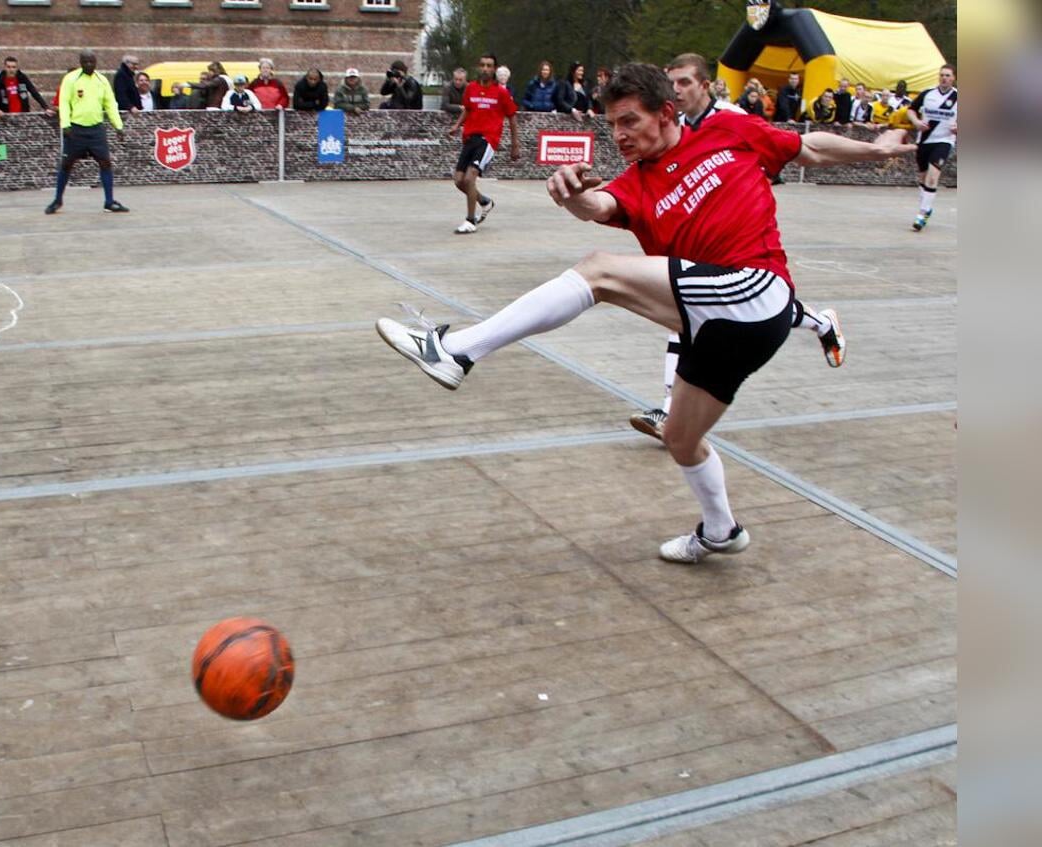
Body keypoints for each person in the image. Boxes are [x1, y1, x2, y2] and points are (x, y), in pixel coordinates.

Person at [376, 62, 914, 563]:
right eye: (612, 125)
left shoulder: (731, 133)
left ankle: (456, 351)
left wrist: (877, 149)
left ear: (666, 113)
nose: (620, 134)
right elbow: (600, 205)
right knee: (680, 438)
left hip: (758, 290)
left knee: (599, 270)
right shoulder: (635, 181)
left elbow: (809, 149)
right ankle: (721, 530)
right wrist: (571, 198)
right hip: (721, 329)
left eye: (629, 121)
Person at [628, 52, 845, 441]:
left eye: (683, 83)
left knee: (698, 320)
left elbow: (778, 151)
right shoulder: (671, 124)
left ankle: (668, 410)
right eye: (670, 83)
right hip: (690, 234)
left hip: (731, 234)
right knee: (707, 317)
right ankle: (822, 322)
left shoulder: (731, 119)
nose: (675, 91)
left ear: (704, 86)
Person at [445, 52, 520, 235]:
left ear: (494, 69)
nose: (485, 69)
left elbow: (512, 118)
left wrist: (515, 145)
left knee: (470, 179)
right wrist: (456, 125)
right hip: (470, 138)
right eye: (483, 65)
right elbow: (467, 110)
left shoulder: (501, 93)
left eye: (489, 66)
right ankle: (485, 202)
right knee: (459, 181)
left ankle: (470, 221)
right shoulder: (470, 88)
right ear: (479, 67)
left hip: (488, 140)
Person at [46, 49, 128, 215]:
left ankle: (109, 202)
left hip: (96, 129)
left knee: (105, 163)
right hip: (75, 129)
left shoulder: (102, 80)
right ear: (80, 62)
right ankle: (57, 199)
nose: (89, 65)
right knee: (67, 164)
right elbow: (64, 101)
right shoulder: (71, 79)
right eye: (85, 62)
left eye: (92, 62)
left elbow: (110, 104)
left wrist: (118, 126)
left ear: (96, 62)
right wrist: (66, 125)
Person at [907, 64, 958, 232]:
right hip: (925, 140)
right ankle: (927, 207)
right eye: (942, 75)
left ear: (953, 78)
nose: (944, 78)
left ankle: (921, 214)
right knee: (922, 178)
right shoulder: (928, 93)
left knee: (932, 176)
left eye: (948, 75)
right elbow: (911, 110)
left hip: (944, 141)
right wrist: (915, 122)